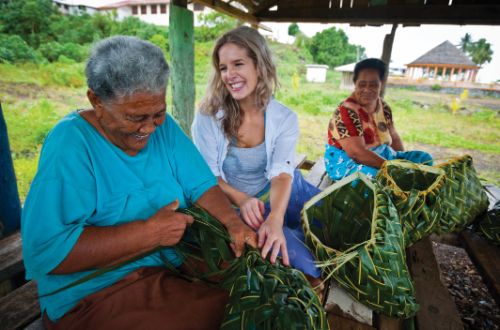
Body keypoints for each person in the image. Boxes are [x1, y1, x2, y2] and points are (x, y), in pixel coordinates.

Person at [21, 36, 257, 330]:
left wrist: (230, 221)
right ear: (96, 101)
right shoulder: (71, 145)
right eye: (135, 117)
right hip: (98, 291)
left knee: (258, 297)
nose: (149, 127)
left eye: (157, 113)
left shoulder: (164, 127)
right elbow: (45, 252)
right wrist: (148, 233)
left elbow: (199, 184)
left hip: (170, 264)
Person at [191, 26, 321, 282]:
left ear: (259, 66)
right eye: (224, 67)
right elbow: (207, 177)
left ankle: (288, 223)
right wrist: (241, 200)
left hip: (282, 191)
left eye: (238, 64)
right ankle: (289, 231)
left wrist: (275, 218)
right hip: (238, 207)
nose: (230, 75)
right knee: (308, 266)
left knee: (336, 229)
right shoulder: (208, 116)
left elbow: (282, 174)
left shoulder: (284, 117)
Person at [324, 58, 433, 181]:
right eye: (362, 84)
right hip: (346, 162)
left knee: (424, 159)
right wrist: (392, 169)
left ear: (382, 83)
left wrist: (401, 164)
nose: (367, 90)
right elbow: (356, 153)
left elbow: (394, 136)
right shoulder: (346, 111)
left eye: (373, 85)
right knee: (378, 177)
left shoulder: (384, 108)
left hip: (381, 155)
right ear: (355, 83)